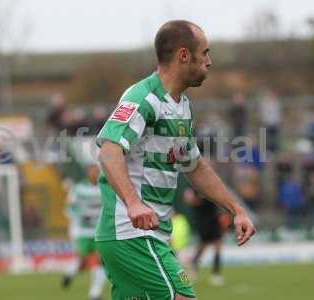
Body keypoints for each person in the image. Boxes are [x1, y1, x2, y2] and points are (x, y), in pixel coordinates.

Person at [95, 20, 255, 300]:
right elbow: (109, 151)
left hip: (151, 235)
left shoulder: (182, 108)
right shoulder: (144, 98)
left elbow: (194, 166)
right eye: (204, 53)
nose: (209, 61)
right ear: (184, 55)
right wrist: (133, 204)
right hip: (131, 233)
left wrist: (236, 209)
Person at [62, 163, 106, 300]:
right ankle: (69, 273)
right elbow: (68, 207)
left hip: (99, 230)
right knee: (82, 261)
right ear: (87, 173)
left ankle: (95, 294)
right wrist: (80, 215)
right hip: (83, 231)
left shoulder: (104, 187)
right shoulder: (78, 189)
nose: (95, 174)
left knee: (100, 260)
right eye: (92, 172)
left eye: (97, 172)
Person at [183, 188, 225, 286]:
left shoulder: (210, 185)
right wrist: (198, 200)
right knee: (202, 247)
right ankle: (193, 267)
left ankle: (216, 273)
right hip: (203, 221)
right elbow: (189, 200)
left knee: (217, 246)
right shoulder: (193, 187)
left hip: (213, 220)